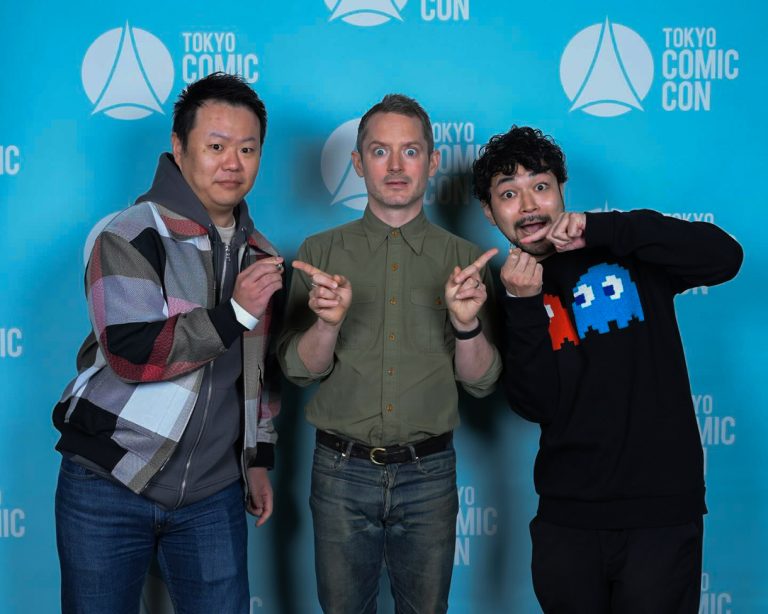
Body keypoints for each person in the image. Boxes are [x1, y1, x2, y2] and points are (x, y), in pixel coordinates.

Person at [472, 126, 743, 613]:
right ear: (490, 213)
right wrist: (522, 303)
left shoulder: (622, 247)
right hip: (567, 519)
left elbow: (726, 257)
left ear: (562, 190)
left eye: (541, 186)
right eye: (508, 194)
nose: (529, 205)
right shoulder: (504, 290)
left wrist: (604, 229)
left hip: (661, 512)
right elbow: (535, 404)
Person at [52, 72, 283, 614]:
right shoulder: (129, 233)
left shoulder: (261, 254)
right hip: (109, 481)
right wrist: (234, 313)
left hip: (212, 494)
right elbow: (131, 351)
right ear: (179, 149)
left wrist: (256, 458)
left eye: (247, 149)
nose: (233, 163)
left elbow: (258, 371)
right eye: (216, 146)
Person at [278, 94, 501, 613]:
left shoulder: (466, 261)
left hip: (429, 475)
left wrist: (465, 324)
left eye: (411, 151)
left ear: (433, 161)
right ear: (358, 163)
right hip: (340, 472)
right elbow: (299, 370)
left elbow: (481, 381)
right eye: (380, 151)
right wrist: (327, 324)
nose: (396, 166)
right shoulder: (319, 254)